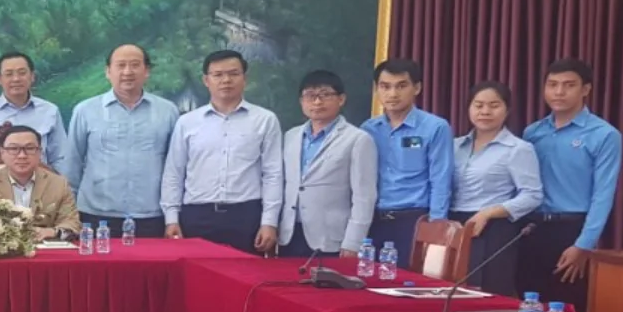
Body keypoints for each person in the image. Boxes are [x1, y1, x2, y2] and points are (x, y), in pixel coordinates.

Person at [519, 58, 622, 312]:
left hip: (572, 230)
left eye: (569, 85)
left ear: (585, 89)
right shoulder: (533, 132)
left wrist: (583, 244)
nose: (559, 92)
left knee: (565, 311)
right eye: (552, 84)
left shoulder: (604, 134)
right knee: (528, 306)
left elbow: (603, 194)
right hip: (532, 228)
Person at [162, 51, 283, 253]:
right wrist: (171, 218)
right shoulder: (187, 122)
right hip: (197, 215)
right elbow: (174, 173)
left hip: (246, 215)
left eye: (233, 74)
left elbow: (273, 174)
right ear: (206, 80)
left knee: (245, 272)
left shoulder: (264, 120)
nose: (226, 80)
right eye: (218, 75)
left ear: (244, 78)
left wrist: (269, 221)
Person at [61, 44, 179, 238]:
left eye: (135, 65)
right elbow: (72, 164)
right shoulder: (85, 110)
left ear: (147, 71)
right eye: (121, 65)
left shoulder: (167, 111)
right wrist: (68, 214)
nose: (127, 72)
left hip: (151, 215)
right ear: (108, 71)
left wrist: (172, 216)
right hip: (95, 215)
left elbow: (174, 166)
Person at [450, 80, 543, 296]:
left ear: (507, 110)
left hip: (492, 229)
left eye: (494, 105)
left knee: (487, 293)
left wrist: (488, 213)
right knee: (452, 290)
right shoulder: (454, 146)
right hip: (454, 226)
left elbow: (533, 195)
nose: (485, 111)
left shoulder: (518, 149)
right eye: (478, 105)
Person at [359, 58, 453, 265]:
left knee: (409, 280)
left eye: (401, 86)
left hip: (414, 220)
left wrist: (436, 226)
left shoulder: (435, 127)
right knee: (371, 279)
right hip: (373, 220)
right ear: (376, 89)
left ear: (417, 88)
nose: (393, 94)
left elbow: (441, 179)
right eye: (385, 87)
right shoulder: (368, 129)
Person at [277, 70, 378, 259]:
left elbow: (364, 196)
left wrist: (353, 242)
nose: (317, 102)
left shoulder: (357, 139)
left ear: (341, 99)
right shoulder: (291, 136)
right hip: (289, 234)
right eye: (310, 96)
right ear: (301, 101)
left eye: (325, 95)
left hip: (331, 238)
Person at [0, 125, 81, 241]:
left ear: (39, 152)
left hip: (43, 247)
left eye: (30, 148)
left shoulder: (58, 183)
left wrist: (52, 231)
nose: (22, 155)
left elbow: (73, 223)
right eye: (13, 149)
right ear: (2, 152)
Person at [0, 51, 71, 170]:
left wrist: (56, 180)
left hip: (40, 179)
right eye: (9, 74)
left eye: (22, 73)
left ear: (32, 76)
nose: (16, 79)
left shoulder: (50, 111)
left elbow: (60, 158)